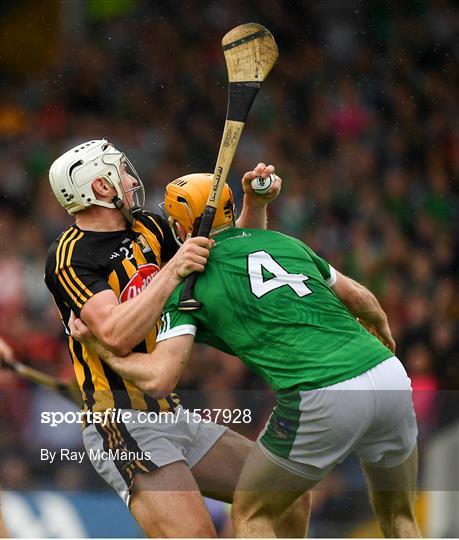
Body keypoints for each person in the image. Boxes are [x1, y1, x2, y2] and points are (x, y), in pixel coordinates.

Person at [74, 173, 421, 538]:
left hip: (320, 393)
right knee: (400, 518)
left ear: (178, 226)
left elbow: (160, 379)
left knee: (253, 512)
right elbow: (363, 301)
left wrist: (101, 350)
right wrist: (384, 337)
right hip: (389, 376)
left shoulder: (189, 287)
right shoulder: (282, 242)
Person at [45, 139, 310, 537]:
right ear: (99, 186)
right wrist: (172, 270)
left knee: (286, 493)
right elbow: (115, 333)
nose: (130, 179)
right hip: (123, 422)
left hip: (174, 414)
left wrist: (255, 206)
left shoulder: (149, 226)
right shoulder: (71, 257)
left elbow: (226, 262)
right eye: (119, 171)